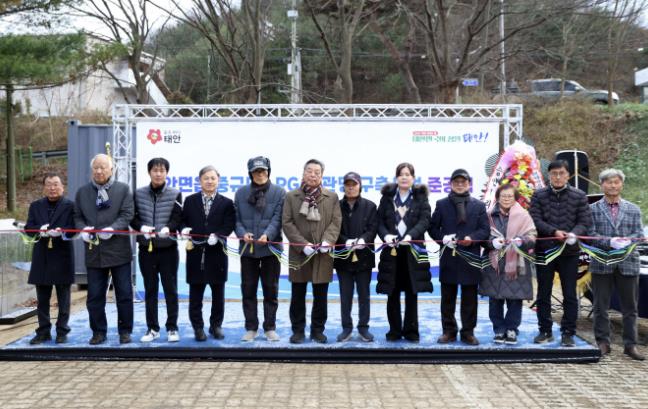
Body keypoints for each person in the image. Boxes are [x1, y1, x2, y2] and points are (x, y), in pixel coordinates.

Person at [529, 159, 591, 346]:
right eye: (554, 174)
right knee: (543, 293)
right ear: (549, 175)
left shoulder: (579, 196)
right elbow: (535, 219)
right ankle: (545, 330)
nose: (557, 177)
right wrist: (553, 231)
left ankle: (568, 333)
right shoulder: (538, 195)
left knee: (569, 293)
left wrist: (574, 233)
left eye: (561, 173)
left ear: (568, 175)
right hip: (545, 250)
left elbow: (585, 222)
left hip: (569, 252)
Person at [74, 153, 135, 345]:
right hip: (94, 251)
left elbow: (127, 214)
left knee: (124, 294)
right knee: (94, 296)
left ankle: (125, 331)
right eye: (96, 168)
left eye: (103, 167)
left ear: (112, 170)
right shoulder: (83, 192)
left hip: (118, 250)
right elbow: (77, 216)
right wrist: (83, 229)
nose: (99, 171)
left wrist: (113, 228)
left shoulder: (123, 189)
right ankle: (98, 332)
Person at [282, 159, 342, 344]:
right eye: (309, 171)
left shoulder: (332, 197)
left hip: (323, 254)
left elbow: (336, 221)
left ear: (322, 176)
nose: (313, 175)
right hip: (299, 253)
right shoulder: (291, 196)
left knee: (320, 295)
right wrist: (302, 245)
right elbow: (287, 222)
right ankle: (298, 331)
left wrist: (328, 241)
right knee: (298, 294)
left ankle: (317, 330)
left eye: (317, 172)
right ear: (303, 173)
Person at [429, 168, 489, 345]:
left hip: (471, 257)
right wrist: (443, 239)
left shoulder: (479, 205)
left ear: (469, 184)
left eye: (463, 181)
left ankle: (468, 332)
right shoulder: (441, 204)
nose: (460, 184)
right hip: (449, 256)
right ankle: (449, 331)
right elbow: (432, 228)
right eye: (456, 182)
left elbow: (484, 229)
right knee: (447, 298)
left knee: (470, 298)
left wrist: (472, 238)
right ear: (451, 184)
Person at [589, 169, 645, 360]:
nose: (613, 185)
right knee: (600, 306)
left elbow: (639, 234)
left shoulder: (633, 209)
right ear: (601, 185)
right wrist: (609, 242)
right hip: (601, 262)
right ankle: (603, 342)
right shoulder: (592, 209)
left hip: (628, 263)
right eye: (608, 182)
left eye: (616, 182)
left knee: (630, 307)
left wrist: (628, 241)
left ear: (621, 185)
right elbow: (590, 235)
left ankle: (630, 345)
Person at [376, 163, 432, 343]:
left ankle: (411, 331)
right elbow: (379, 222)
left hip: (412, 252)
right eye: (401, 174)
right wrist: (385, 236)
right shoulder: (387, 198)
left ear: (413, 178)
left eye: (408, 174)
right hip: (391, 253)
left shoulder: (420, 197)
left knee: (411, 292)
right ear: (396, 177)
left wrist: (411, 235)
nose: (404, 177)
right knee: (392, 293)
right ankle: (394, 330)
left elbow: (425, 220)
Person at [181, 165, 235, 342]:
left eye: (213, 178)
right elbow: (182, 221)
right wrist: (184, 229)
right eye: (206, 178)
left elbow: (229, 224)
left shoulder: (227, 203)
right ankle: (198, 327)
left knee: (218, 294)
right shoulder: (190, 200)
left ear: (218, 180)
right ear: (200, 181)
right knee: (195, 294)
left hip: (217, 253)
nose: (210, 181)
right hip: (195, 254)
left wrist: (218, 235)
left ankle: (215, 325)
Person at [131, 157, 183, 343]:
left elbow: (178, 218)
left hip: (168, 249)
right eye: (155, 170)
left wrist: (169, 228)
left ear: (166, 173)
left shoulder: (175, 193)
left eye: (162, 170)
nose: (158, 174)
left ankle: (172, 327)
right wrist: (141, 227)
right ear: (149, 172)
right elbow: (132, 217)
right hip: (147, 249)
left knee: (170, 290)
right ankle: (152, 328)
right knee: (150, 290)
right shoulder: (138, 194)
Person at [234, 156, 285, 342]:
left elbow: (278, 218)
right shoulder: (241, 193)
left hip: (271, 249)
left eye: (263, 170)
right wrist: (242, 234)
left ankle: (270, 327)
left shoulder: (279, 192)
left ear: (268, 171)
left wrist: (268, 235)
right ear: (250, 174)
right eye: (256, 171)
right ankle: (251, 328)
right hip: (248, 250)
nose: (260, 174)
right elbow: (236, 220)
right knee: (248, 289)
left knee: (271, 290)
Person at [480, 185, 536, 345]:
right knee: (495, 299)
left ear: (515, 198)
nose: (506, 199)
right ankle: (498, 329)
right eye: (503, 196)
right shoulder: (489, 216)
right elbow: (482, 235)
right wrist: (491, 243)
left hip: (516, 262)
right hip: (494, 262)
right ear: (497, 197)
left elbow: (532, 236)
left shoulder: (524, 215)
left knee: (515, 298)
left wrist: (521, 241)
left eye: (510, 196)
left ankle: (511, 329)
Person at [25, 173, 75, 345]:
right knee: (42, 298)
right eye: (49, 184)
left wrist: (62, 231)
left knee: (64, 298)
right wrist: (40, 230)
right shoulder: (35, 206)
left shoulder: (70, 206)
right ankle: (43, 331)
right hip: (42, 255)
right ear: (44, 188)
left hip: (62, 254)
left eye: (56, 184)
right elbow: (28, 228)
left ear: (62, 187)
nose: (52, 188)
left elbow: (74, 227)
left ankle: (62, 330)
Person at [334, 171, 378, 342]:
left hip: (364, 257)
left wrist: (363, 240)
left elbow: (373, 229)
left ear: (360, 186)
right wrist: (344, 241)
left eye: (354, 184)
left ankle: (363, 328)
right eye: (348, 184)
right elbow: (332, 229)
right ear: (344, 187)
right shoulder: (336, 206)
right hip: (343, 257)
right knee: (345, 296)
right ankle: (346, 328)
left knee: (364, 295)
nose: (351, 188)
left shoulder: (370, 206)